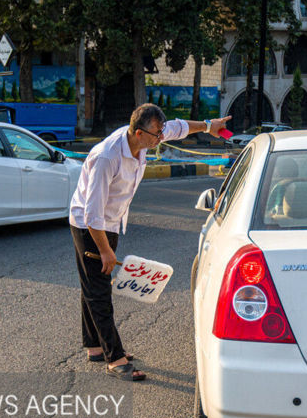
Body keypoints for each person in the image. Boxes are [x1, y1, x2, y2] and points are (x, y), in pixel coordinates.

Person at [70, 103, 231, 381]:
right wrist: (106, 251)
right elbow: (92, 214)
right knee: (98, 291)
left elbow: (179, 127)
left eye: (160, 133)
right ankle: (115, 358)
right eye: (156, 135)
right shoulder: (107, 157)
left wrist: (208, 125)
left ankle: (95, 347)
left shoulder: (146, 137)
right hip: (89, 227)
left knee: (92, 284)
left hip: (110, 222)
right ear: (137, 131)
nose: (160, 139)